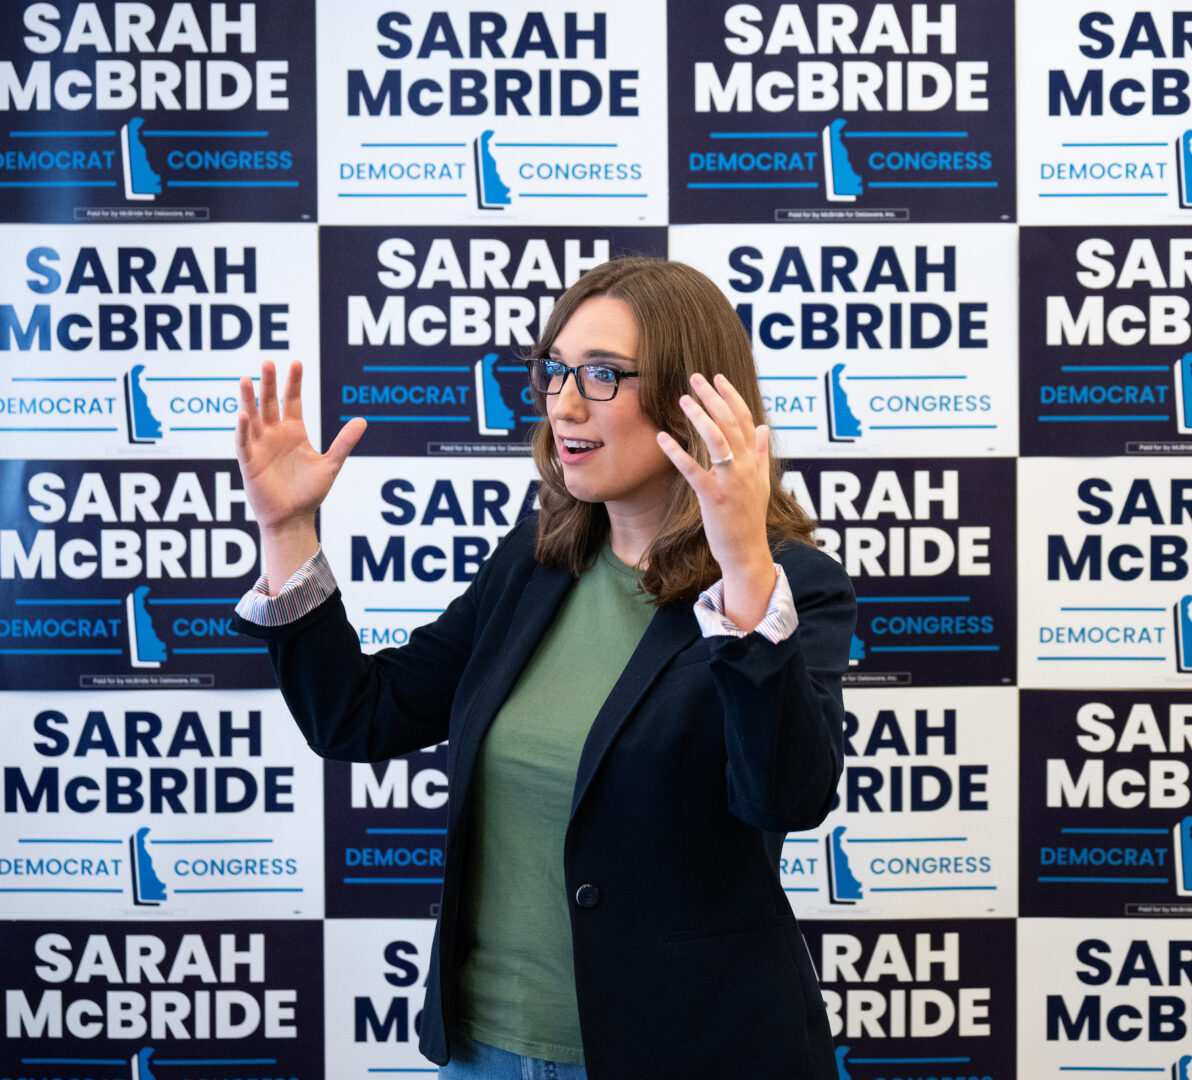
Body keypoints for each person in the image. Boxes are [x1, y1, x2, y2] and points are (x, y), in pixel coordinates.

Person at [230, 257, 856, 1080]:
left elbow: (785, 795)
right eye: (555, 369)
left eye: (602, 375)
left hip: (686, 1054)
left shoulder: (790, 586)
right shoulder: (533, 566)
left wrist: (740, 566)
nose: (563, 403)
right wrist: (288, 533)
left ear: (694, 398)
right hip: (485, 1050)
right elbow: (360, 716)